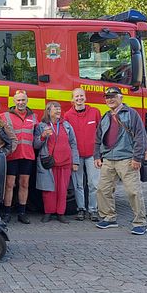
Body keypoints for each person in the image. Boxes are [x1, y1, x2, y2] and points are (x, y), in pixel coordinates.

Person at [94, 87, 147, 235]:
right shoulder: (106, 116)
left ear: (121, 98)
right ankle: (109, 218)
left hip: (127, 159)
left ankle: (140, 222)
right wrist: (97, 156)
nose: (110, 99)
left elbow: (140, 136)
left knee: (133, 192)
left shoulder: (131, 114)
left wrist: (137, 158)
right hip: (108, 160)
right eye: (107, 97)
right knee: (102, 190)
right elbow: (98, 138)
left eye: (113, 96)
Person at [34, 102, 79, 223]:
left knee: (63, 189)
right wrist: (43, 136)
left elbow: (73, 143)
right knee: (48, 190)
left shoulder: (67, 125)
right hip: (48, 162)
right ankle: (48, 212)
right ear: (48, 111)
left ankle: (60, 213)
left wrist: (75, 161)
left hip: (65, 162)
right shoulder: (41, 126)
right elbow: (36, 145)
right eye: (56, 109)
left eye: (59, 109)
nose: (59, 111)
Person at [64, 88, 102, 221]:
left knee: (93, 184)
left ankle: (93, 210)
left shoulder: (95, 112)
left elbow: (101, 133)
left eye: (81, 96)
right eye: (76, 96)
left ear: (85, 98)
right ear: (72, 99)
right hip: (76, 155)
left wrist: (99, 154)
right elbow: (67, 137)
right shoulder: (67, 116)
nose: (79, 98)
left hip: (92, 154)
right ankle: (81, 209)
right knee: (78, 184)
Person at [2, 90, 37, 224]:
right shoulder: (5, 116)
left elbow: (37, 136)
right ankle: (6, 212)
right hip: (12, 155)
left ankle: (22, 213)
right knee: (10, 184)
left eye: (23, 100)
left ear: (27, 101)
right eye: (18, 100)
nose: (21, 102)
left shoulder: (34, 117)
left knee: (24, 184)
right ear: (14, 101)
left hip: (27, 155)